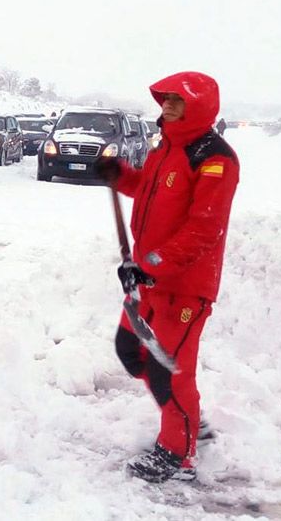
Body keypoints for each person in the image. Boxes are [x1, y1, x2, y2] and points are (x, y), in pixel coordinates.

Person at [93, 71, 239, 484]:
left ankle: (179, 453)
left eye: (177, 100)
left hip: (184, 287)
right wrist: (119, 175)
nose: (167, 106)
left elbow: (204, 228)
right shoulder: (166, 147)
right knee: (129, 350)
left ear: (200, 105)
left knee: (167, 371)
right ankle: (187, 415)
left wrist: (152, 263)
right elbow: (149, 188)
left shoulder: (214, 157)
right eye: (166, 99)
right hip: (149, 280)